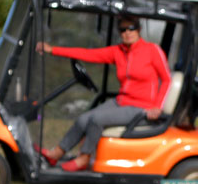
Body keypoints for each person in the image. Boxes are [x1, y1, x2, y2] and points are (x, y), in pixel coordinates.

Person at [35, 15, 171, 172]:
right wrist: (53, 50)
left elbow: (166, 79)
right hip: (121, 102)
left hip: (142, 107)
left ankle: (84, 157)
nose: (127, 32)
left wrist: (157, 107)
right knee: (83, 119)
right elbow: (87, 54)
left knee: (97, 119)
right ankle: (56, 154)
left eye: (131, 28)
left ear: (139, 30)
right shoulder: (118, 51)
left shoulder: (152, 50)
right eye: (123, 29)